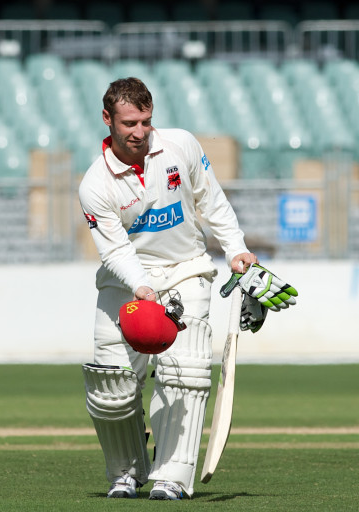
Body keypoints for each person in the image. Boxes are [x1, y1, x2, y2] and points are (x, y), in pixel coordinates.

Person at [78, 77, 295, 500]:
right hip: (125, 282)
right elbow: (115, 250)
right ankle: (126, 471)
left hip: (185, 270)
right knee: (112, 388)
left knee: (185, 372)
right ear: (107, 119)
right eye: (129, 123)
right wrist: (142, 287)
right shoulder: (94, 184)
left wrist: (236, 250)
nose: (139, 132)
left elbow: (212, 201)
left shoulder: (180, 145)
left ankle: (172, 476)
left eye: (145, 121)